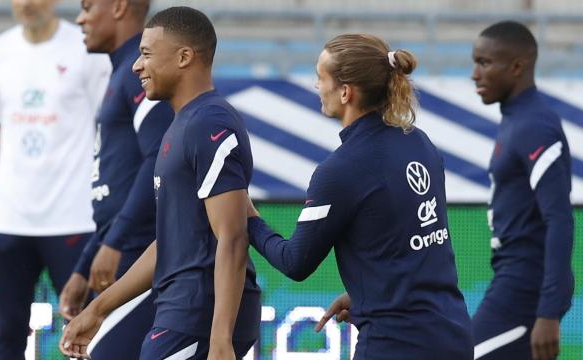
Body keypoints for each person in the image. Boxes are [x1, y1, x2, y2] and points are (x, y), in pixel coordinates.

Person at [245, 34, 473, 359]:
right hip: (454, 338)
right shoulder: (419, 142)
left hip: (395, 346)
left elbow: (295, 262)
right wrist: (367, 296)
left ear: (345, 91)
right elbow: (408, 242)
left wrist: (250, 220)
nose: (315, 86)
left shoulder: (340, 170)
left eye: (320, 77)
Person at [59, 7, 261, 360]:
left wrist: (220, 339)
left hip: (197, 317)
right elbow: (170, 240)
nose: (137, 65)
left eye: (147, 54)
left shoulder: (209, 123)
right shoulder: (182, 124)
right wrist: (98, 309)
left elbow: (232, 236)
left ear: (184, 57)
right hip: (179, 313)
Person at [0, 0, 111, 358]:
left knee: (84, 336)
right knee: (9, 336)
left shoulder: (86, 48)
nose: (28, 4)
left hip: (73, 219)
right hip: (10, 219)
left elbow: (110, 125)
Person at [57, 0, 174, 358]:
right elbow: (119, 195)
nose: (80, 18)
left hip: (141, 255)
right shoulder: (123, 70)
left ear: (120, 7)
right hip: (122, 248)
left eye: (88, 7)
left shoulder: (141, 72)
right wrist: (84, 264)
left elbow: (159, 158)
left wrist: (116, 243)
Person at [470, 21, 574, 360]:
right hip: (511, 274)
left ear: (517, 66)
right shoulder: (515, 118)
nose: (475, 74)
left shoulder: (535, 124)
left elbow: (559, 218)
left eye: (484, 63)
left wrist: (548, 312)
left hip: (525, 285)